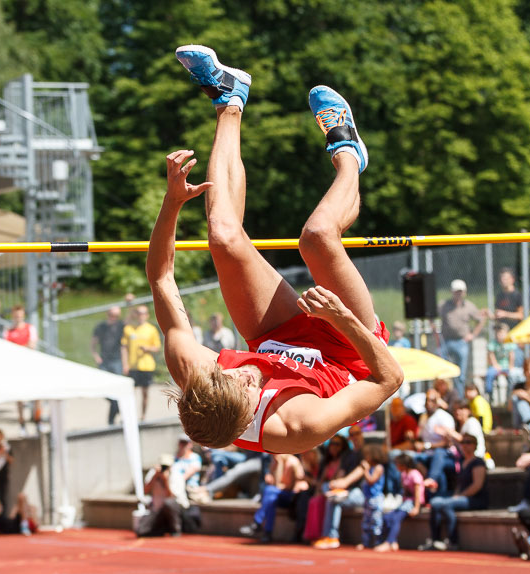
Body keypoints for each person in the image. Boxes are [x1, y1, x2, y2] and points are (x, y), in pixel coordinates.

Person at [150, 46, 403, 455]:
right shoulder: (297, 426)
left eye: (236, 375)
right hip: (348, 350)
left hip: (277, 331)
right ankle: (349, 155)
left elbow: (161, 277)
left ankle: (228, 98)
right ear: (249, 420)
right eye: (250, 386)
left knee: (224, 237)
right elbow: (389, 378)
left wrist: (172, 203)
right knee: (317, 237)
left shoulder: (196, 375)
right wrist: (341, 317)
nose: (249, 373)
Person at [419, 434, 488, 551]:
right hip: (461, 496)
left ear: (475, 445)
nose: (465, 445)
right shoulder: (461, 462)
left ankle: (453, 541)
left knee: (446, 504)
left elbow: (477, 485)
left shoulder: (478, 462)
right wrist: (456, 495)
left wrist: (459, 496)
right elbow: (459, 485)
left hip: (475, 499)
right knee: (435, 502)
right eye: (463, 443)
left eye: (469, 442)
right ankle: (435, 540)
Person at [313, 424, 367, 549]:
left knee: (334, 499)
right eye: (352, 435)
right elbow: (341, 473)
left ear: (362, 434)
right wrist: (335, 483)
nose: (355, 437)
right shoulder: (348, 455)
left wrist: (345, 482)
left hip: (361, 492)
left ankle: (331, 536)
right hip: (347, 491)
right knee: (332, 495)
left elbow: (362, 469)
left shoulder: (366, 451)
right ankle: (328, 536)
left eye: (357, 433)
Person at [241, 453, 308, 543]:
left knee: (269, 490)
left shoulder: (293, 462)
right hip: (277, 494)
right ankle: (267, 533)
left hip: (290, 496)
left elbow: (300, 481)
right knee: (271, 499)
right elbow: (273, 481)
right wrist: (272, 470)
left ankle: (257, 522)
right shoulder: (276, 461)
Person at [438, 279, 485, 383]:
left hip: (461, 342)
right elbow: (431, 315)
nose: (458, 294)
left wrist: (472, 335)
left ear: (464, 292)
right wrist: (435, 332)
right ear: (452, 292)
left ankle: (459, 397)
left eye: (460, 291)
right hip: (445, 341)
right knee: (443, 371)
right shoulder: (444, 305)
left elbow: (481, 320)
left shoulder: (469, 306)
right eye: (456, 291)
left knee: (461, 374)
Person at [413, 389, 457, 498]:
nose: (429, 403)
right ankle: (431, 494)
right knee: (413, 458)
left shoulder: (444, 417)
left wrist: (427, 446)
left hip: (446, 455)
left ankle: (434, 487)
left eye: (432, 400)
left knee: (438, 458)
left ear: (438, 402)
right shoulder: (423, 417)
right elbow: (420, 437)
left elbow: (448, 443)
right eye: (427, 400)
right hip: (427, 454)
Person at [376, 454, 424, 552]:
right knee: (387, 517)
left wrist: (416, 507)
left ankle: (389, 542)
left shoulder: (414, 474)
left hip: (414, 502)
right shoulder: (403, 474)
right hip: (406, 502)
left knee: (396, 518)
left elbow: (418, 492)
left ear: (404, 464)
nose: (396, 466)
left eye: (397, 464)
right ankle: (391, 541)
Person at [122, 305, 162, 423]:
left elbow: (157, 347)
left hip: (146, 365)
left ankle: (143, 416)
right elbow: (124, 347)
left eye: (143, 313)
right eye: (139, 313)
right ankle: (131, 415)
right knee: (130, 392)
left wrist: (148, 348)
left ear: (147, 315)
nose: (141, 316)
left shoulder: (151, 329)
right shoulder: (129, 329)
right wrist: (125, 364)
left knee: (145, 392)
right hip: (132, 365)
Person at [4, 305, 40, 435]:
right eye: (16, 315)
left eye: (20, 315)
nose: (18, 317)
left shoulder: (30, 329)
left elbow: (32, 345)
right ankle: (22, 423)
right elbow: (6, 347)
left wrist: (17, 348)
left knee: (37, 395)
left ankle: (38, 421)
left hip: (30, 366)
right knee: (19, 397)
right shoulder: (9, 330)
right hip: (16, 368)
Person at [91, 306, 125, 425]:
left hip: (116, 361)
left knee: (117, 390)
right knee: (105, 389)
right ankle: (119, 411)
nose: (114, 318)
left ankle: (112, 419)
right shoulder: (101, 327)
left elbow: (132, 317)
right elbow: (93, 343)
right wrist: (96, 356)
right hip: (104, 361)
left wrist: (129, 303)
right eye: (112, 315)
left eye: (116, 315)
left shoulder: (120, 326)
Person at [136, 453, 184, 537]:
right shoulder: (154, 473)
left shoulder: (177, 475)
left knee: (168, 503)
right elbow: (145, 491)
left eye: (166, 466)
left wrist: (165, 481)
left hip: (173, 510)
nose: (164, 468)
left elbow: (171, 496)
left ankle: (175, 529)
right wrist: (155, 477)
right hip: (157, 510)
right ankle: (161, 529)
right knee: (141, 531)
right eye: (163, 466)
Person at [355, 444, 387, 550]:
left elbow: (371, 481)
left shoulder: (378, 468)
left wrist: (365, 470)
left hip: (376, 498)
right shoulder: (372, 468)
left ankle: (377, 542)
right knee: (366, 522)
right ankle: (366, 542)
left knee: (376, 521)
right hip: (368, 498)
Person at [485, 322, 522, 399]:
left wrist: (510, 366)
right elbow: (491, 355)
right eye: (497, 332)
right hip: (496, 366)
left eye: (501, 332)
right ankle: (489, 393)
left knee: (513, 376)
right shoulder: (493, 343)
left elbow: (511, 355)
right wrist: (495, 365)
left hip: (507, 366)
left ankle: (510, 395)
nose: (499, 334)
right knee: (489, 373)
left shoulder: (509, 343)